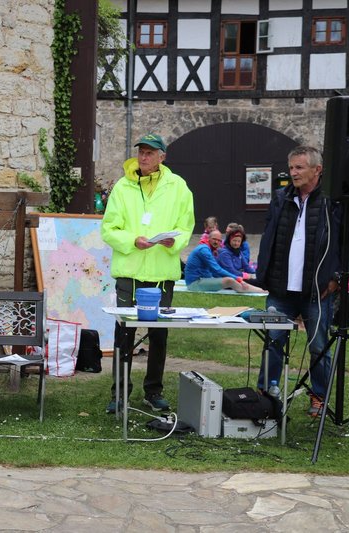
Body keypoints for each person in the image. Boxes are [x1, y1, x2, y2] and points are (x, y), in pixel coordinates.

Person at [255, 146, 349, 418]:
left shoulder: (334, 202)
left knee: (318, 346)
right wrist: (265, 273)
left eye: (299, 167)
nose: (293, 173)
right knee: (273, 341)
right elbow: (270, 237)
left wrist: (338, 278)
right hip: (281, 289)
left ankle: (319, 396)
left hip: (318, 290)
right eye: (291, 167)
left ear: (318, 169)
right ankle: (266, 394)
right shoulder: (280, 198)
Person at [101, 133, 195, 413]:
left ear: (162, 157)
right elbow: (109, 228)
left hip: (161, 273)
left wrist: (174, 241)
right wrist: (133, 240)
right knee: (124, 334)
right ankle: (119, 393)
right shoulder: (122, 186)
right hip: (129, 273)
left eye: (150, 153)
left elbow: (186, 225)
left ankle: (153, 391)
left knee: (159, 335)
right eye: (141, 152)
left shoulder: (179, 186)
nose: (143, 157)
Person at [185, 230, 265, 293]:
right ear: (208, 238)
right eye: (214, 239)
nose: (216, 242)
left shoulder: (210, 249)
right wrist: (238, 278)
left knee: (233, 279)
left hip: (202, 279)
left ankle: (260, 289)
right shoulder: (205, 250)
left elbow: (246, 266)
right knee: (230, 280)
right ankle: (260, 291)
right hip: (195, 283)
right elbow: (217, 270)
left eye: (219, 240)